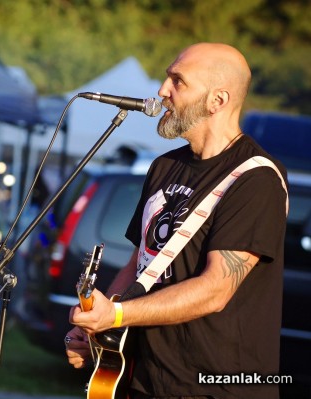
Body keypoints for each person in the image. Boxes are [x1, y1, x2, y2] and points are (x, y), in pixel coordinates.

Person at [64, 43, 289, 399]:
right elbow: (140, 263)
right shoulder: (164, 166)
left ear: (217, 100)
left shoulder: (256, 179)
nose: (161, 90)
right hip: (143, 376)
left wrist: (118, 315)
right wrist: (98, 323)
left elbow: (216, 289)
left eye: (178, 81)